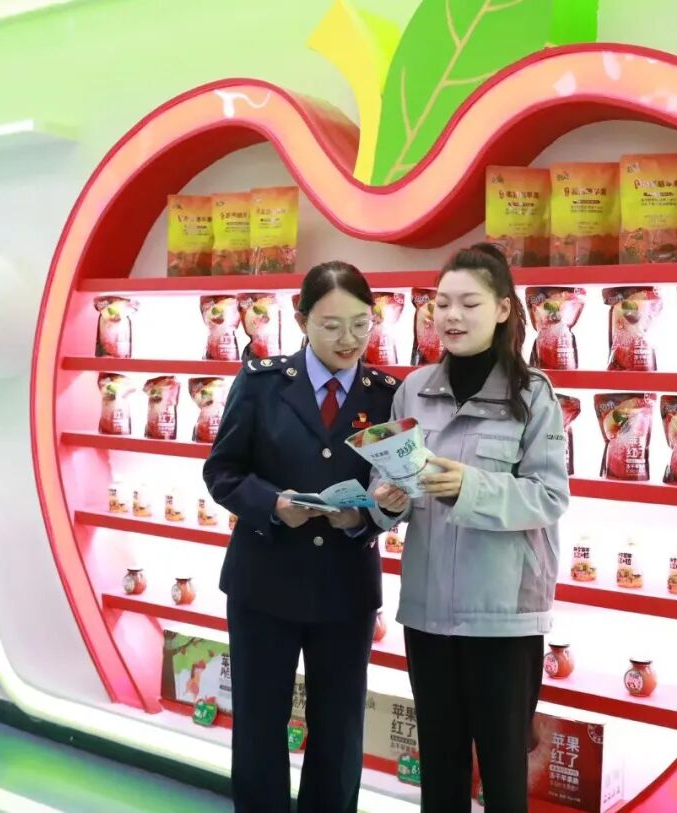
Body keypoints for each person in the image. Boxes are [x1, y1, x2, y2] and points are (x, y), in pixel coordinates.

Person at [370, 243, 571, 813]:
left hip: (503, 616)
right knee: (440, 765)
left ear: (503, 309)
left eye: (469, 303)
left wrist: (471, 487)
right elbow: (391, 487)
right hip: (428, 609)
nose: (451, 316)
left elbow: (550, 496)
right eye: (441, 304)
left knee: (504, 771)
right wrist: (385, 501)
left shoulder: (533, 395)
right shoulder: (413, 389)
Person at [203, 261, 399, 813]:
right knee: (259, 725)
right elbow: (222, 471)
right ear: (301, 319)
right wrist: (272, 505)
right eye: (331, 325)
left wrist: (363, 518)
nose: (349, 339)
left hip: (345, 589)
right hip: (264, 583)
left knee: (339, 732)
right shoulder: (263, 382)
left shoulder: (387, 394)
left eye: (361, 324)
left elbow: (395, 488)